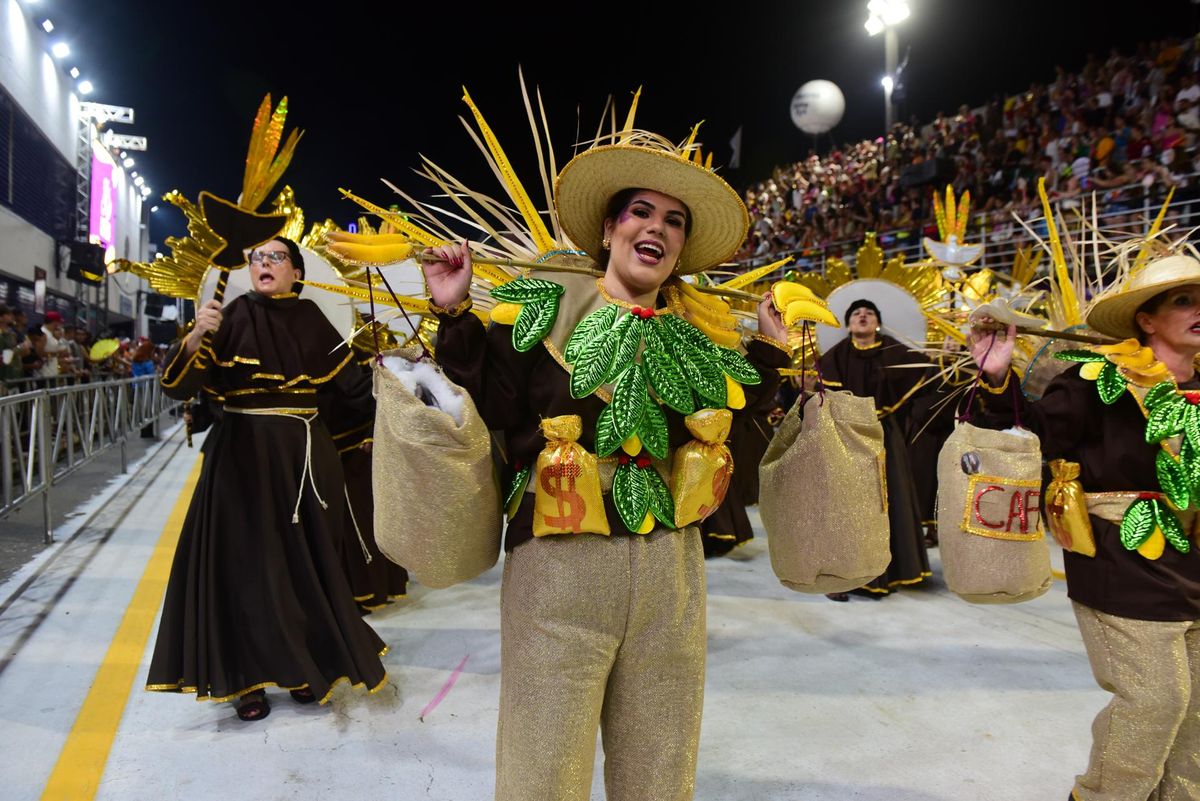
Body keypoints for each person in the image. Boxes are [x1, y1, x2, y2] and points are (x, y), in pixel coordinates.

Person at [421, 139, 790, 800]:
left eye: (674, 220)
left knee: (661, 765)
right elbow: (491, 401)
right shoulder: (543, 304)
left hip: (670, 566)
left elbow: (742, 400)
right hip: (559, 566)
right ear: (610, 228)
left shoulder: (694, 336)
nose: (657, 227)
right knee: (543, 767)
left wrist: (771, 348)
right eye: (641, 211)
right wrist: (453, 311)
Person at [968, 251, 1200, 801]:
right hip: (1123, 560)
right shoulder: (1097, 379)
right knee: (1154, 701)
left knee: (1194, 708)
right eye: (1184, 300)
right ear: (1145, 319)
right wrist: (998, 377)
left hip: (1195, 560)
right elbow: (1028, 433)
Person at [145, 236, 387, 722]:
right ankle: (247, 681)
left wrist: (397, 381)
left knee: (305, 566)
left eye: (276, 257)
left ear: (297, 271)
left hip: (304, 459)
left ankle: (305, 668)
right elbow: (179, 386)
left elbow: (353, 392)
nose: (264, 264)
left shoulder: (315, 321)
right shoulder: (229, 316)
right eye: (256, 258)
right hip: (241, 461)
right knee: (246, 568)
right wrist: (195, 338)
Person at [817, 298, 931, 599]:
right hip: (847, 435)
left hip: (884, 438)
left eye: (869, 313)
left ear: (877, 322)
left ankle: (889, 572)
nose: (863, 316)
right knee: (847, 505)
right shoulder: (835, 357)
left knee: (887, 500)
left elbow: (927, 375)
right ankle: (843, 576)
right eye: (856, 313)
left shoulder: (894, 351)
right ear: (848, 323)